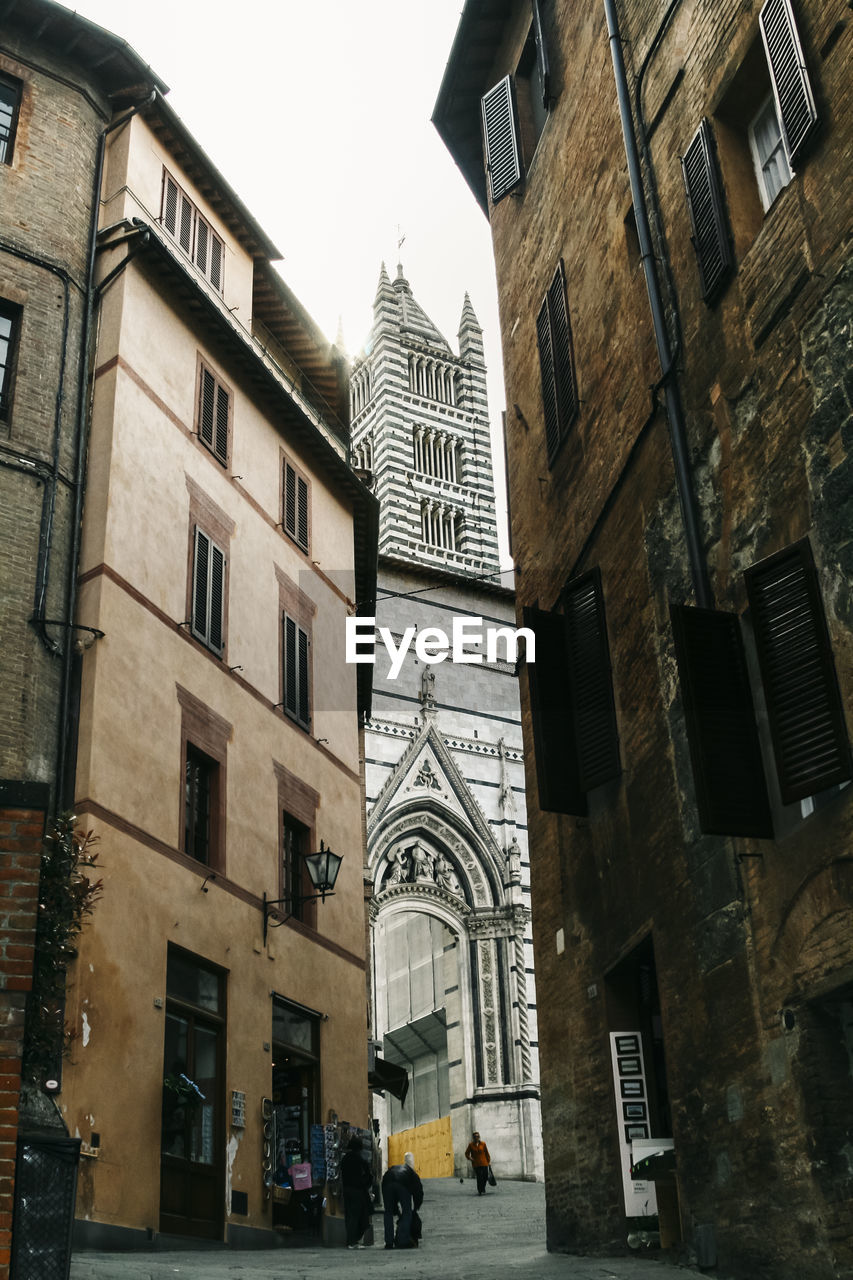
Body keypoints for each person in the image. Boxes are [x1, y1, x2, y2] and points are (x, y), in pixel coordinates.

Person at [381, 1150, 423, 1249]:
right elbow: (418, 1192)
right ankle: (403, 1240)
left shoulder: (394, 1169)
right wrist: (416, 1207)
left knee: (388, 1213)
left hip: (387, 1182)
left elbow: (388, 1195)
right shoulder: (413, 1174)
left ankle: (389, 1242)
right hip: (402, 1184)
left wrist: (394, 1209)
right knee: (407, 1212)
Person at [341, 1136, 373, 1250]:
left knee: (349, 1216)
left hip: (346, 1189)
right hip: (357, 1191)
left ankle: (350, 1240)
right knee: (357, 1216)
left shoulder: (344, 1159)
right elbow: (368, 1175)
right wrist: (365, 1184)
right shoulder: (360, 1159)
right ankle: (352, 1241)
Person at [464, 1130, 492, 1195]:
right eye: (475, 1136)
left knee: (485, 1176)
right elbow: (466, 1153)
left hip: (484, 1163)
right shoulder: (471, 1145)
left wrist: (489, 1161)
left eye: (477, 1136)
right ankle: (480, 1190)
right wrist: (470, 1158)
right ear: (473, 1138)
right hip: (476, 1164)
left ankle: (483, 1188)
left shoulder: (483, 1144)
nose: (477, 1137)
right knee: (479, 1177)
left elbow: (487, 1153)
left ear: (479, 1137)